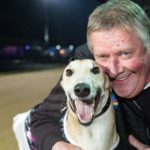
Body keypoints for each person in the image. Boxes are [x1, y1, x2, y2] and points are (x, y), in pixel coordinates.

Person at [29, 0, 150, 150]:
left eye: (125, 53)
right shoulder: (85, 66)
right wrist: (57, 145)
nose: (113, 70)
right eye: (103, 56)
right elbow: (43, 118)